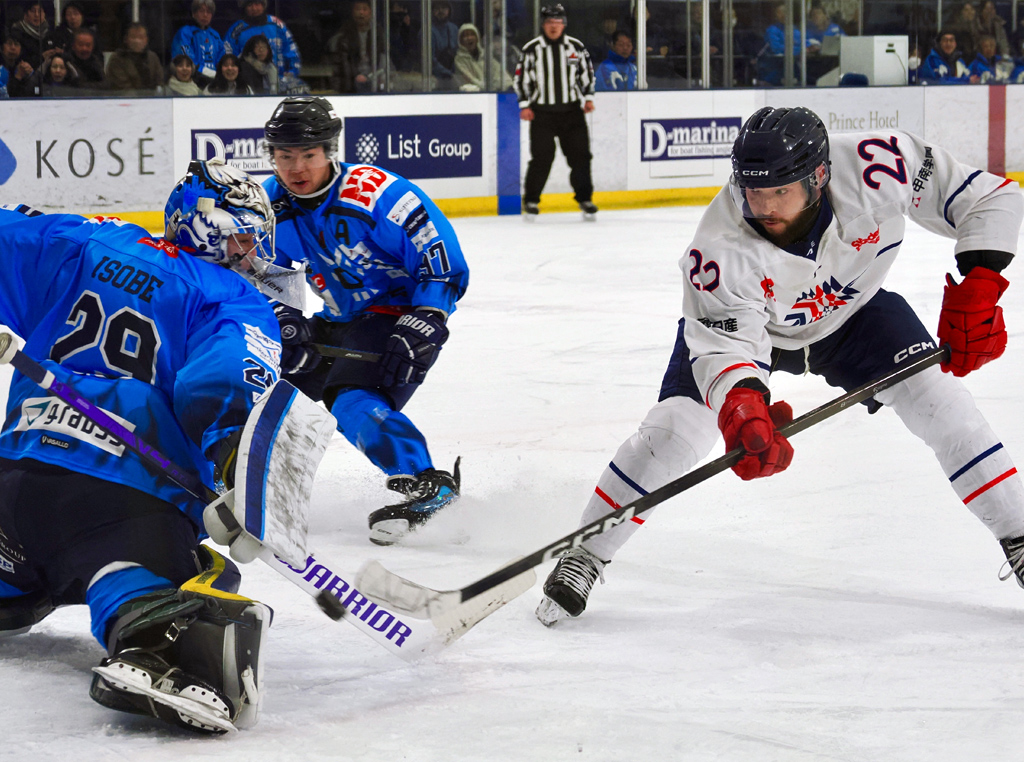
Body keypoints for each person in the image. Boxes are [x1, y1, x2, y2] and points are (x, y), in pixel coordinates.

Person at [535, 105, 1024, 627]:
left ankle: (1019, 537)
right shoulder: (717, 250)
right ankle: (585, 553)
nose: (763, 205)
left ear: (819, 177)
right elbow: (726, 351)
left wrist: (980, 284)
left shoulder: (881, 164)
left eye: (779, 191)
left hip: (853, 315)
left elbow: (991, 197)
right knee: (673, 432)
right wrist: (742, 406)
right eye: (752, 190)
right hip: (754, 334)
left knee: (944, 406)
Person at [0, 160, 282, 733]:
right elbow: (224, 383)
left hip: (11, 483)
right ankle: (154, 646)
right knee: (161, 578)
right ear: (208, 230)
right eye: (242, 238)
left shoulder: (84, 239)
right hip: (119, 500)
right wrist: (236, 472)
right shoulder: (229, 296)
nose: (251, 254)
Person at [261, 96, 469, 546]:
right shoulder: (270, 203)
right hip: (338, 317)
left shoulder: (378, 195)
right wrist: (283, 317)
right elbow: (264, 271)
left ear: (329, 151)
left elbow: (442, 263)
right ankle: (248, 479)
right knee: (263, 379)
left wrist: (428, 317)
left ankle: (428, 484)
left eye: (308, 155)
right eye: (285, 156)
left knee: (351, 397)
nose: (296, 168)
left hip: (397, 315)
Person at [513, 4, 597, 219]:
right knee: (541, 157)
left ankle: (585, 199)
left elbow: (587, 74)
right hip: (542, 113)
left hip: (572, 112)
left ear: (564, 24)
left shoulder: (576, 47)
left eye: (557, 22)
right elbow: (521, 79)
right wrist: (525, 105)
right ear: (543, 25)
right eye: (550, 22)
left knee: (581, 156)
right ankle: (531, 200)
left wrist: (588, 98)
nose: (553, 26)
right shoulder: (532, 49)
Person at [226, 0, 304, 92]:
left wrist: (292, 73)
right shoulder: (236, 30)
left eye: (257, 4)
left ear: (263, 5)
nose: (254, 8)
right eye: (250, 5)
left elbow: (291, 51)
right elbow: (228, 58)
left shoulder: (277, 25)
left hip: (279, 85)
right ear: (244, 7)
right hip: (249, 87)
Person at [328, 0, 388, 93]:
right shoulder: (343, 36)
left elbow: (383, 61)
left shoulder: (378, 35)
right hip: (350, 85)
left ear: (371, 12)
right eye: (358, 9)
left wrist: (373, 77)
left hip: (374, 81)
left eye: (364, 9)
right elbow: (341, 67)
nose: (361, 12)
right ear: (352, 12)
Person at [171, 0, 227, 87]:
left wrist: (219, 75)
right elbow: (188, 61)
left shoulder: (215, 35)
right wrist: (210, 74)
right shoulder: (185, 32)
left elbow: (222, 59)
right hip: (191, 81)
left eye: (208, 12)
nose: (205, 15)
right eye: (201, 11)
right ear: (194, 13)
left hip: (214, 82)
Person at [105, 22, 164, 94]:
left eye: (141, 37)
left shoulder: (152, 57)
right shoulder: (117, 58)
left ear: (146, 40)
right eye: (133, 37)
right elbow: (122, 87)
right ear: (126, 39)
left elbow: (160, 81)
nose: (137, 41)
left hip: (152, 98)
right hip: (125, 98)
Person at [453, 21, 510, 91]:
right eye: (465, 35)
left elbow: (500, 73)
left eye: (472, 34)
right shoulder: (459, 60)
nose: (469, 38)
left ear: (477, 38)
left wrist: (507, 85)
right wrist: (487, 88)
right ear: (460, 41)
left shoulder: (485, 56)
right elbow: (470, 79)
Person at [9, 0, 56, 70]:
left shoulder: (50, 32)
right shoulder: (17, 32)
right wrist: (42, 57)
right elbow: (18, 61)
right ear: (26, 14)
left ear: (44, 14)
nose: (36, 15)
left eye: (40, 11)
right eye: (33, 11)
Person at [431, 0, 460, 88]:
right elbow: (430, 61)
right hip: (434, 78)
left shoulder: (454, 28)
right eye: (437, 8)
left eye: (444, 8)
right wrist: (450, 75)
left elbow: (459, 53)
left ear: (449, 10)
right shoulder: (427, 31)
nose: (440, 11)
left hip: (455, 76)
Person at [1, 32, 40, 97]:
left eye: (16, 44)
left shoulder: (24, 68)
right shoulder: (1, 70)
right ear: (2, 48)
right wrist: (18, 76)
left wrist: (31, 75)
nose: (13, 47)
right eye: (9, 43)